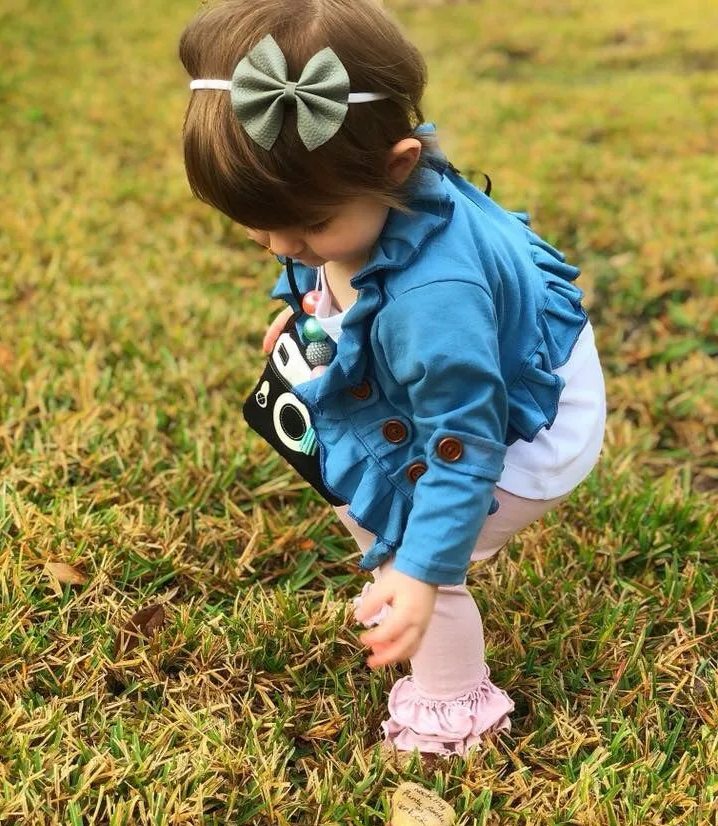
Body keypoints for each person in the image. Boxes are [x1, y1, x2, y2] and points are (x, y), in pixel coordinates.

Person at [179, 0, 606, 758]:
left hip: (524, 427)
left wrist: (417, 565)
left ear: (397, 166)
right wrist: (310, 307)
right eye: (259, 227)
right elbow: (327, 260)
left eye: (305, 226)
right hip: (477, 363)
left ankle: (452, 715)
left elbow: (462, 445)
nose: (282, 245)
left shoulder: (433, 303)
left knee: (408, 533)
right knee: (361, 466)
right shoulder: (357, 201)